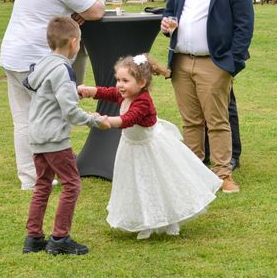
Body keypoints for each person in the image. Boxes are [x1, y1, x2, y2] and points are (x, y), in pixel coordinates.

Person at [77, 54, 221, 240]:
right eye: (118, 80)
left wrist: (104, 121)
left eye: (125, 81)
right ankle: (144, 220)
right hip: (131, 147)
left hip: (151, 149)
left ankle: (172, 218)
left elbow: (128, 120)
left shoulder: (143, 101)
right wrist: (90, 90)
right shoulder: (124, 94)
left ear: (142, 83)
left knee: (160, 182)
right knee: (137, 183)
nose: (120, 85)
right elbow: (108, 92)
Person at [0, 0, 105, 191]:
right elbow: (96, 11)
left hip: (13, 55)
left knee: (24, 119)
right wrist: (84, 7)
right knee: (52, 117)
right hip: (38, 59)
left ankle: (30, 178)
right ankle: (49, 173)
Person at [161, 0, 254, 193]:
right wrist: (166, 24)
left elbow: (244, 27)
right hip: (180, 61)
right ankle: (193, 170)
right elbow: (170, 12)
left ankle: (222, 174)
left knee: (217, 121)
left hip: (214, 63)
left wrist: (231, 64)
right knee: (191, 121)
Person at [22, 16, 110, 256]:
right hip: (54, 140)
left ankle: (34, 237)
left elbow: (49, 95)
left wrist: (72, 95)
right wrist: (95, 120)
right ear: (73, 42)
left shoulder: (43, 64)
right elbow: (70, 112)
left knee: (42, 185)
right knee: (72, 184)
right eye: (79, 41)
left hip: (38, 136)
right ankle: (60, 238)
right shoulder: (63, 69)